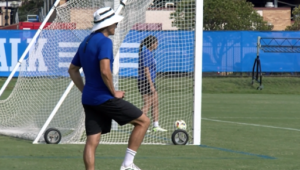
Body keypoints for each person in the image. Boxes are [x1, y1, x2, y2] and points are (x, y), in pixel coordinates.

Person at [68, 7, 150, 170]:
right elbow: (105, 70)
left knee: (92, 140)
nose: (117, 25)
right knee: (143, 122)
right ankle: (127, 165)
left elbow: (72, 69)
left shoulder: (85, 41)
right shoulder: (105, 41)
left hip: (89, 99)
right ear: (107, 24)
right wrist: (114, 92)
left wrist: (85, 91)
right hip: (103, 98)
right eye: (115, 22)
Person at [138, 35, 167, 132]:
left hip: (151, 81)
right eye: (156, 43)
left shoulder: (150, 53)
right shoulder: (145, 53)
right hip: (146, 81)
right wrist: (151, 85)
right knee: (147, 104)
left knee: (155, 103)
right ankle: (140, 125)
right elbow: (146, 70)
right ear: (152, 44)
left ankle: (156, 126)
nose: (157, 45)